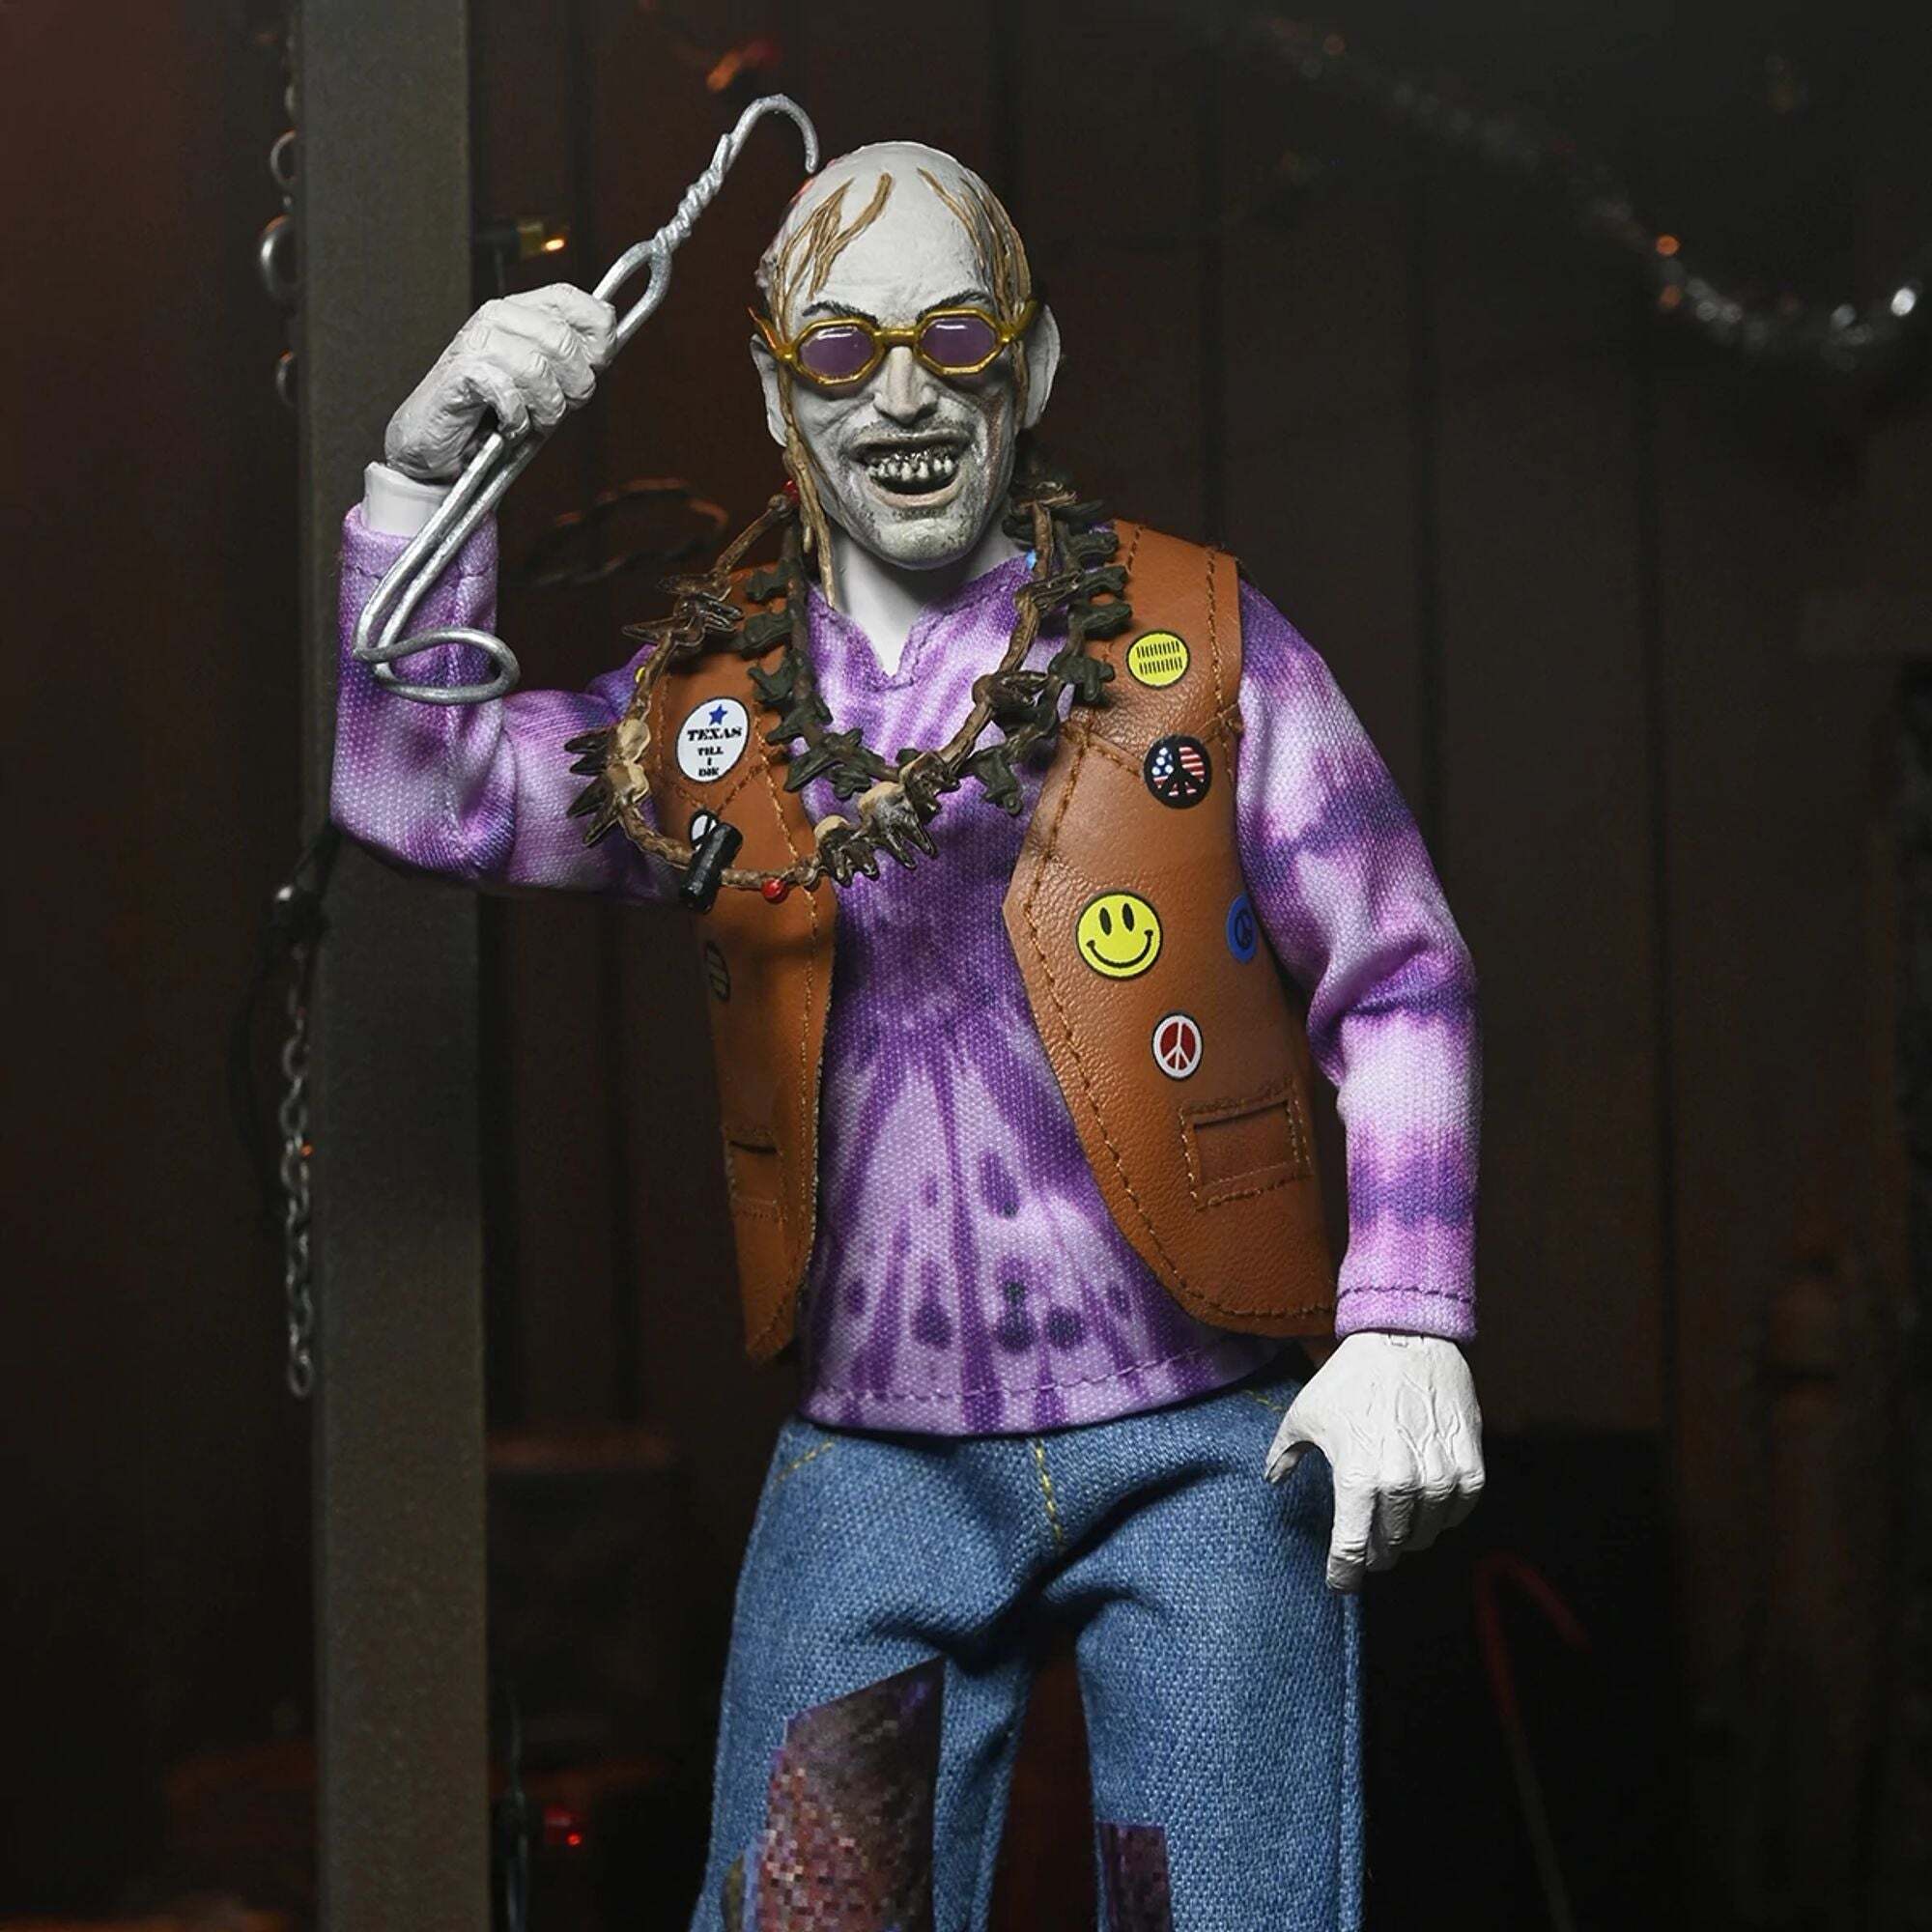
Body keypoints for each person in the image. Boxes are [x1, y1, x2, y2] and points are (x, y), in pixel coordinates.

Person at [333, 139, 1485, 1932]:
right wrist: (425, 478)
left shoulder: (1202, 648)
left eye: (955, 337)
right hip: (879, 1452)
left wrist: (1406, 1308)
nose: (903, 396)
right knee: (809, 1904)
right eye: (841, 349)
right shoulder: (714, 720)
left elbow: (1397, 968)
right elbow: (429, 788)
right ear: (775, 395)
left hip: (1203, 1435)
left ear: (1031, 362)